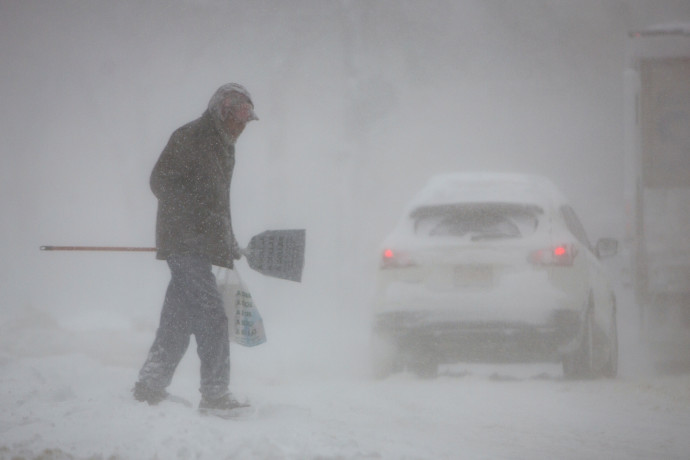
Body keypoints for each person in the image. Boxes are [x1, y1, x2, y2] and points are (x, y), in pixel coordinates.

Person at [132, 83, 258, 414]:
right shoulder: (192, 137)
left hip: (200, 245)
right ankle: (215, 396)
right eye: (239, 120)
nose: (243, 127)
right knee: (213, 316)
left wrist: (226, 239)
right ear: (223, 112)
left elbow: (217, 204)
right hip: (184, 243)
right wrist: (196, 217)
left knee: (178, 318)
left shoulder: (223, 146)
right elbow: (160, 181)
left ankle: (149, 386)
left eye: (247, 122)